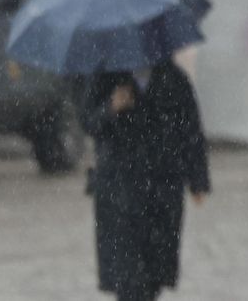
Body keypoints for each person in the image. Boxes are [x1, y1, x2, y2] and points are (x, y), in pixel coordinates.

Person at [82, 58, 210, 301]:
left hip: (162, 191)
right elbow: (88, 121)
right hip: (119, 193)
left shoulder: (173, 78)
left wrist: (198, 180)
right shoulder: (106, 75)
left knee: (154, 276)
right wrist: (111, 107)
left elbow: (191, 131)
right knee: (128, 277)